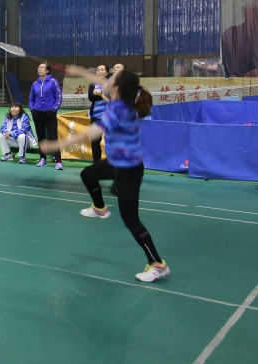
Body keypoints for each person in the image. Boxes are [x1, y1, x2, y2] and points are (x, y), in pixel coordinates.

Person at [41, 65, 169, 283]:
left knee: (131, 220)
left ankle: (157, 263)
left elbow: (92, 133)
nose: (108, 80)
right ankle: (100, 208)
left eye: (113, 78)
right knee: (87, 174)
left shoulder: (118, 110)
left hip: (128, 170)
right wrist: (80, 71)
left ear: (116, 88)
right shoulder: (127, 96)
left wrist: (56, 144)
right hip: (116, 163)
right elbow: (102, 82)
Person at [28, 62, 63, 169]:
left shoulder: (53, 82)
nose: (40, 69)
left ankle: (58, 161)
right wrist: (33, 110)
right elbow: (31, 99)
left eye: (42, 67)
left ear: (47, 70)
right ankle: (42, 159)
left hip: (50, 114)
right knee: (41, 137)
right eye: (39, 67)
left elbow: (59, 97)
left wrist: (53, 110)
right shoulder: (35, 84)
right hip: (37, 114)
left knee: (53, 137)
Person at [87, 64, 109, 164]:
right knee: (95, 141)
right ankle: (96, 163)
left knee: (110, 141)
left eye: (102, 70)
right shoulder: (93, 83)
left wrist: (99, 93)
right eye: (98, 70)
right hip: (96, 116)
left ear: (107, 72)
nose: (99, 72)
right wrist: (101, 94)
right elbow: (91, 97)